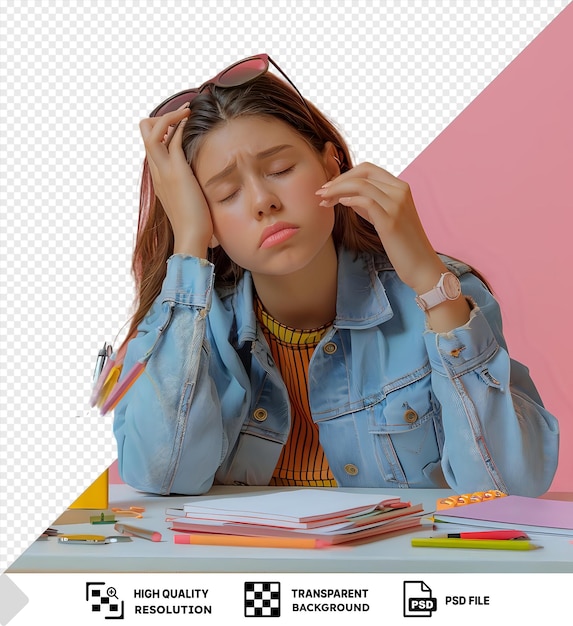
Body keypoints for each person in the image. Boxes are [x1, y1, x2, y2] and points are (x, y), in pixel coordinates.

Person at [109, 54, 558, 497]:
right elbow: (161, 477)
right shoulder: (189, 327)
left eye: (281, 170)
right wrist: (187, 242)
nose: (263, 200)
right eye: (226, 194)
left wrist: (428, 279)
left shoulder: (442, 296)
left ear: (330, 165)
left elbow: (509, 488)